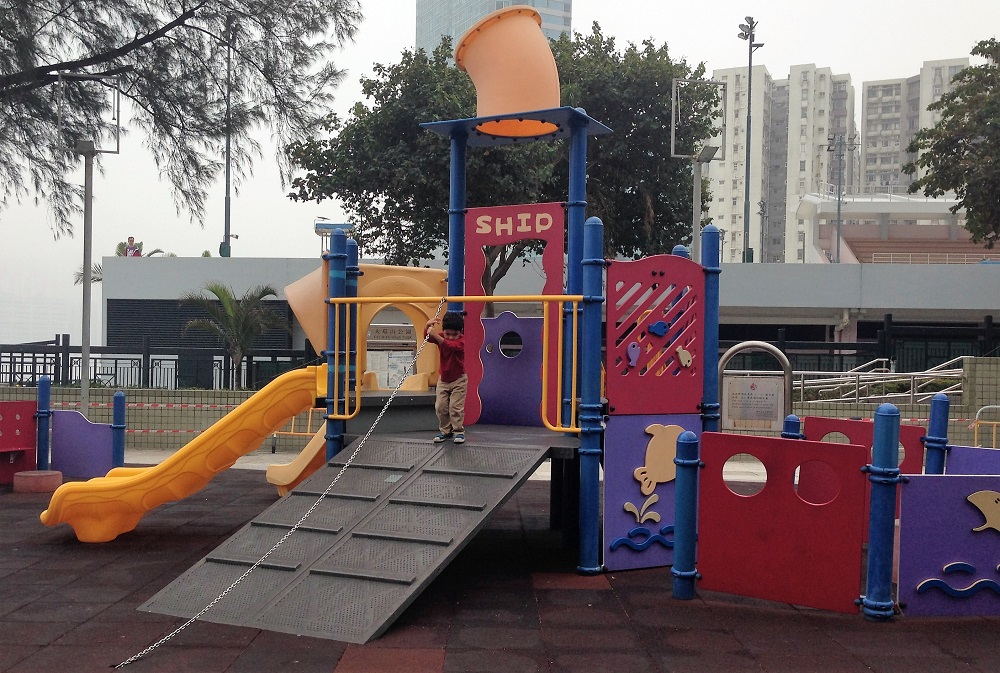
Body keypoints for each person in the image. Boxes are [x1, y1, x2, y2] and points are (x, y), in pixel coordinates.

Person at [424, 311, 467, 444]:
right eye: (447, 334)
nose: (450, 337)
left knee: (455, 407)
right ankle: (445, 431)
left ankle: (458, 431)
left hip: (459, 379)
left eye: (454, 334)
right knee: (440, 407)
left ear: (460, 333)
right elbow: (428, 338)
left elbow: (450, 345)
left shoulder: (461, 342)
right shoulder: (442, 337)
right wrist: (427, 327)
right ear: (444, 331)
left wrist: (436, 335)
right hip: (443, 379)